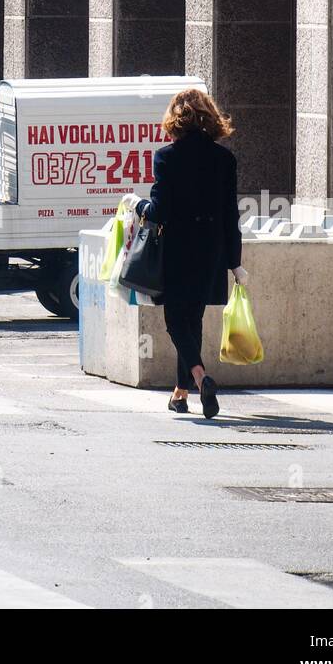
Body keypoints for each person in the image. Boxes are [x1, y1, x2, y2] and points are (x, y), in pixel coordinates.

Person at [135, 88, 247, 419]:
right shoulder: (225, 159)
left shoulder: (166, 157)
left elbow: (160, 211)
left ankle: (200, 378)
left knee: (174, 320)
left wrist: (135, 204)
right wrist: (235, 262)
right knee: (193, 318)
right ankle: (180, 393)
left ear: (175, 119)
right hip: (211, 248)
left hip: (177, 248)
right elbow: (231, 214)